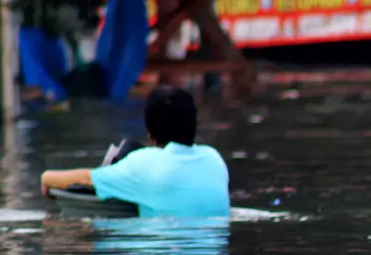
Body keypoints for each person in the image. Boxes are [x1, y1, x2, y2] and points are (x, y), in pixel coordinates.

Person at [40, 86, 231, 218]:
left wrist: (47, 177)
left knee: (71, 234)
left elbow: (87, 179)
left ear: (150, 132)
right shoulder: (214, 159)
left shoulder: (145, 163)